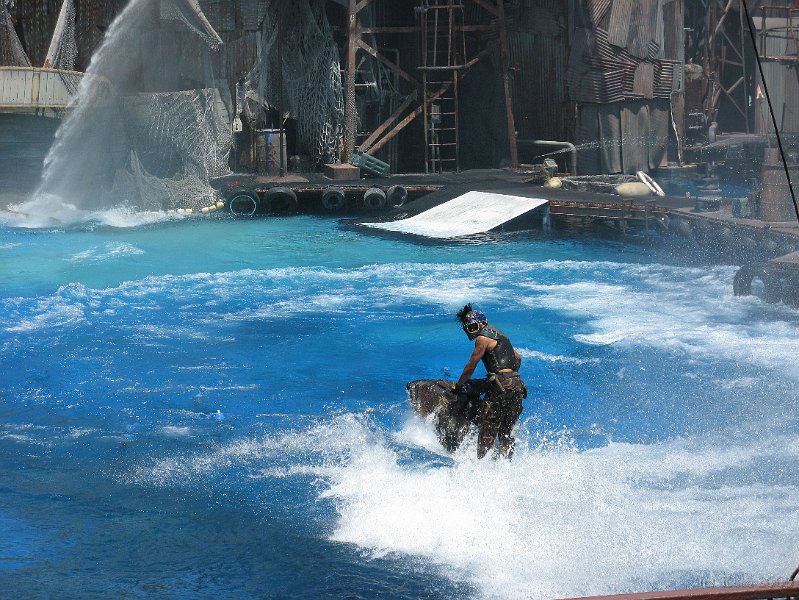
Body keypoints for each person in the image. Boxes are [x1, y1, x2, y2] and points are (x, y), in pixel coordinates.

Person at [453, 304, 527, 459]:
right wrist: (511, 377)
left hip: (501, 386)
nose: (472, 331)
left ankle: (481, 464)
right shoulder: (502, 336)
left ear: (482, 324)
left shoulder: (482, 338)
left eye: (473, 327)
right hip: (517, 386)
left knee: (488, 431)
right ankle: (507, 463)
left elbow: (471, 365)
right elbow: (518, 358)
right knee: (506, 431)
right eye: (469, 328)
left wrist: (458, 385)